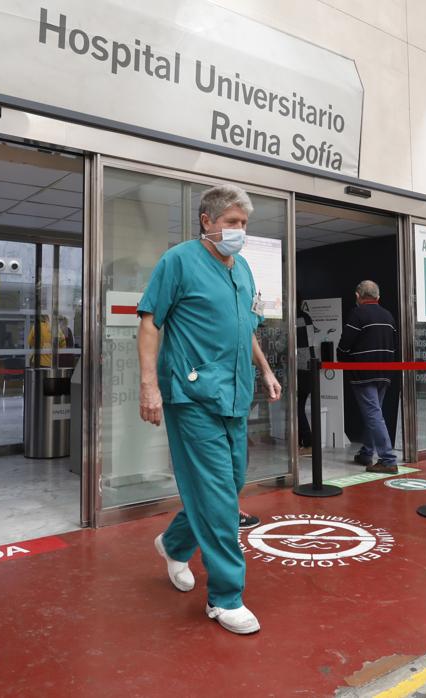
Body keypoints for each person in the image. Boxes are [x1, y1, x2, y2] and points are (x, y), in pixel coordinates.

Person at [137, 184, 281, 635]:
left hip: (235, 396)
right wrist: (149, 387)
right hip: (191, 396)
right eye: (232, 223)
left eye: (243, 224)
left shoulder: (242, 271)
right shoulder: (178, 261)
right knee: (220, 498)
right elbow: (149, 322)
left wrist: (267, 370)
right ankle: (225, 597)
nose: (239, 231)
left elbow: (247, 328)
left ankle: (174, 542)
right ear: (207, 222)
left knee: (229, 482)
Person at [338, 280, 400, 474]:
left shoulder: (357, 314)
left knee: (373, 414)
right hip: (385, 372)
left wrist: (341, 358)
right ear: (377, 297)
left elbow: (345, 344)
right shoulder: (388, 316)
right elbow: (395, 345)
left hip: (363, 373)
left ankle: (388, 459)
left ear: (358, 296)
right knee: (375, 413)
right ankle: (366, 452)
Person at [296, 301, 318, 455]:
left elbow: (292, 344)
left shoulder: (296, 319)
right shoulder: (306, 317)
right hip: (309, 367)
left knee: (297, 408)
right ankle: (302, 442)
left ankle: (308, 441)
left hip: (301, 368)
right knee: (299, 407)